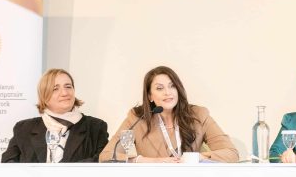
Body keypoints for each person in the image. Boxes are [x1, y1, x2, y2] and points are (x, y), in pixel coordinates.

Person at [99, 66, 239, 163]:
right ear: (150, 96)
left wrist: (197, 157)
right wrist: (149, 161)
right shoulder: (137, 118)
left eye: (172, 86)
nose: (168, 92)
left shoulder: (198, 115)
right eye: (160, 88)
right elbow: (106, 156)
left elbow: (231, 153)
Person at [1, 68, 109, 163]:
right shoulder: (24, 128)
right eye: (55, 89)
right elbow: (8, 164)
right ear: (44, 96)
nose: (65, 93)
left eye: (68, 86)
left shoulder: (96, 127)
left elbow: (103, 162)